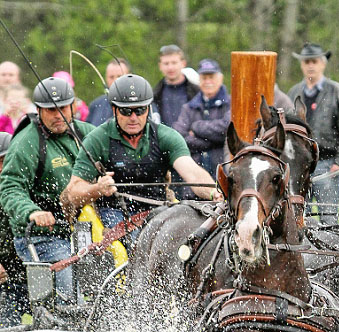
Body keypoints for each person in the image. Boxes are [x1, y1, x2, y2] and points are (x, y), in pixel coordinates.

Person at [64, 73, 222, 233]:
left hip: (159, 208)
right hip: (113, 213)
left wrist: (213, 192)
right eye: (126, 111)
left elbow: (192, 173)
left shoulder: (166, 136)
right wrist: (97, 189)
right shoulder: (97, 139)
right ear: (114, 109)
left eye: (139, 110)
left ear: (148, 109)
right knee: (132, 243)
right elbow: (73, 192)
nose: (133, 117)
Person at [0, 76, 93, 303]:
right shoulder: (26, 143)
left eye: (63, 108)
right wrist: (32, 211)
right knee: (69, 287)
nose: (58, 115)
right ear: (39, 111)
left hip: (86, 230)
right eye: (50, 110)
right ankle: (74, 328)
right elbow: (10, 188)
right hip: (42, 237)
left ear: (73, 106)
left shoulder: (89, 134)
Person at [287, 42, 339, 225]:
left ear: (323, 64)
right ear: (301, 65)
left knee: (329, 218)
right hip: (299, 168)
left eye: (314, 61)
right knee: (299, 218)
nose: (310, 66)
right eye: (306, 62)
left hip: (328, 164)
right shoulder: (293, 93)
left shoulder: (337, 92)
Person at [173, 59, 230, 178]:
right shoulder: (189, 107)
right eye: (204, 78)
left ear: (220, 79)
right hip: (194, 179)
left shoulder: (231, 104)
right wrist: (212, 142)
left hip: (224, 177)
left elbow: (227, 129)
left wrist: (196, 127)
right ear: (199, 80)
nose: (208, 81)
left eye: (211, 77)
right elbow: (179, 137)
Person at [0, 132, 29, 325]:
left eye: (7, 161)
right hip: (3, 279)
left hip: (28, 272)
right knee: (8, 324)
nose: (3, 168)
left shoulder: (27, 187)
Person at [153, 45, 199, 128]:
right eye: (166, 63)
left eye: (174, 63)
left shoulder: (197, 92)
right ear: (160, 66)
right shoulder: (154, 95)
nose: (170, 67)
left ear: (183, 63)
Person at [87, 59, 130, 127]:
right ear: (106, 78)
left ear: (129, 77)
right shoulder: (96, 105)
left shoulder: (141, 104)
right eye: (111, 77)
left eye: (119, 76)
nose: (115, 80)